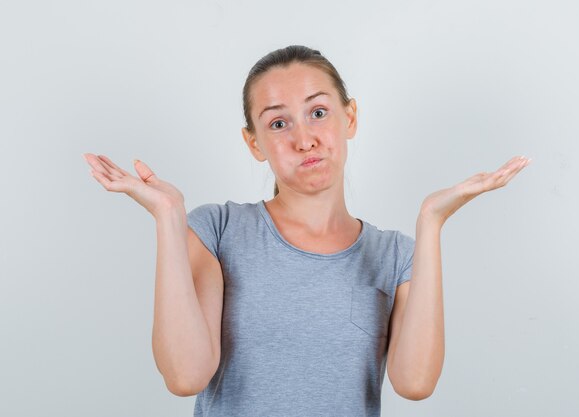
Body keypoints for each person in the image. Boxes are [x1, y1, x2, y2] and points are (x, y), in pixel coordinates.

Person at [83, 45, 531, 416]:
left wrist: (432, 220)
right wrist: (167, 213)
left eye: (318, 112)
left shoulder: (398, 256)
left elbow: (415, 383)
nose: (304, 139)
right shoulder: (214, 230)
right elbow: (185, 376)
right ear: (254, 142)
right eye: (279, 123)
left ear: (349, 117)